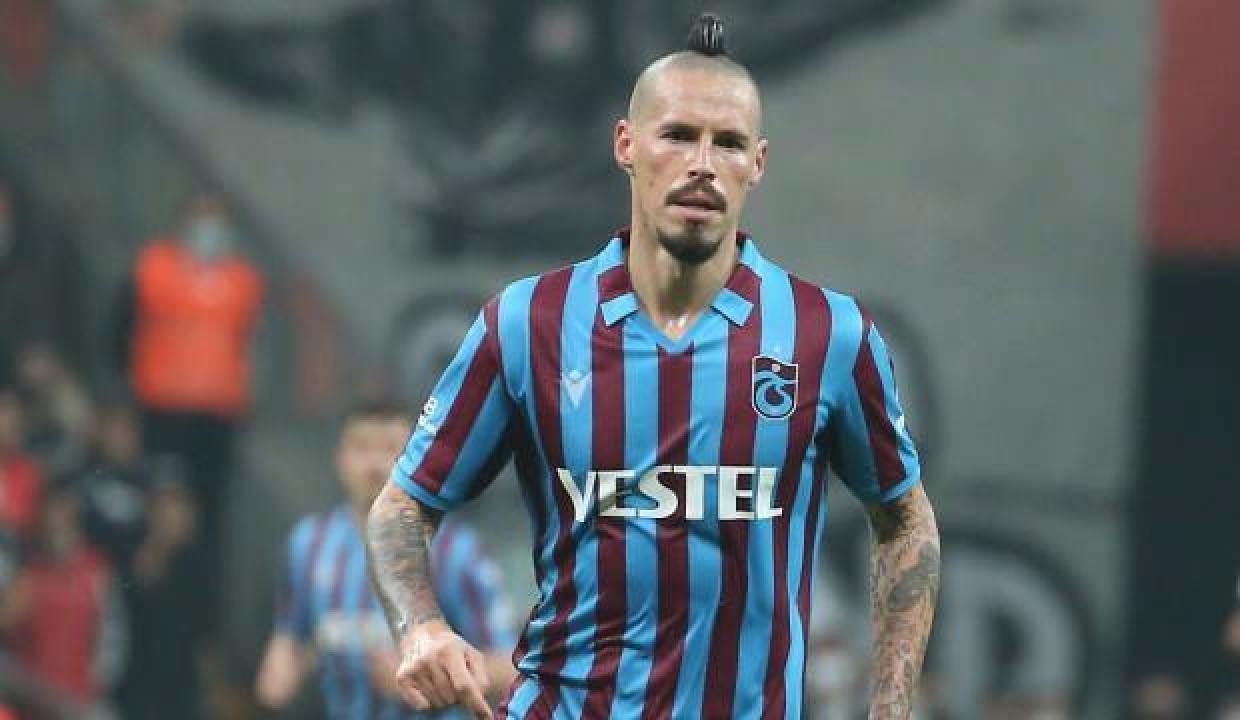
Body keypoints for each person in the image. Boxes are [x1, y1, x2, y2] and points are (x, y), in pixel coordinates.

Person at [366, 13, 940, 720]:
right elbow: (402, 506)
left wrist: (891, 709)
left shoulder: (829, 334)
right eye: (678, 135)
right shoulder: (528, 322)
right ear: (626, 145)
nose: (702, 162)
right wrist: (420, 626)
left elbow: (905, 520)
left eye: (728, 142)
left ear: (758, 163)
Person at [256, 399, 517, 719]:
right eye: (362, 447)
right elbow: (289, 641)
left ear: (418, 458)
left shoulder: (457, 551)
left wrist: (433, 676)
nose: (375, 463)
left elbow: (510, 670)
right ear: (340, 458)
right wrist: (280, 674)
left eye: (390, 448)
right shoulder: (309, 543)